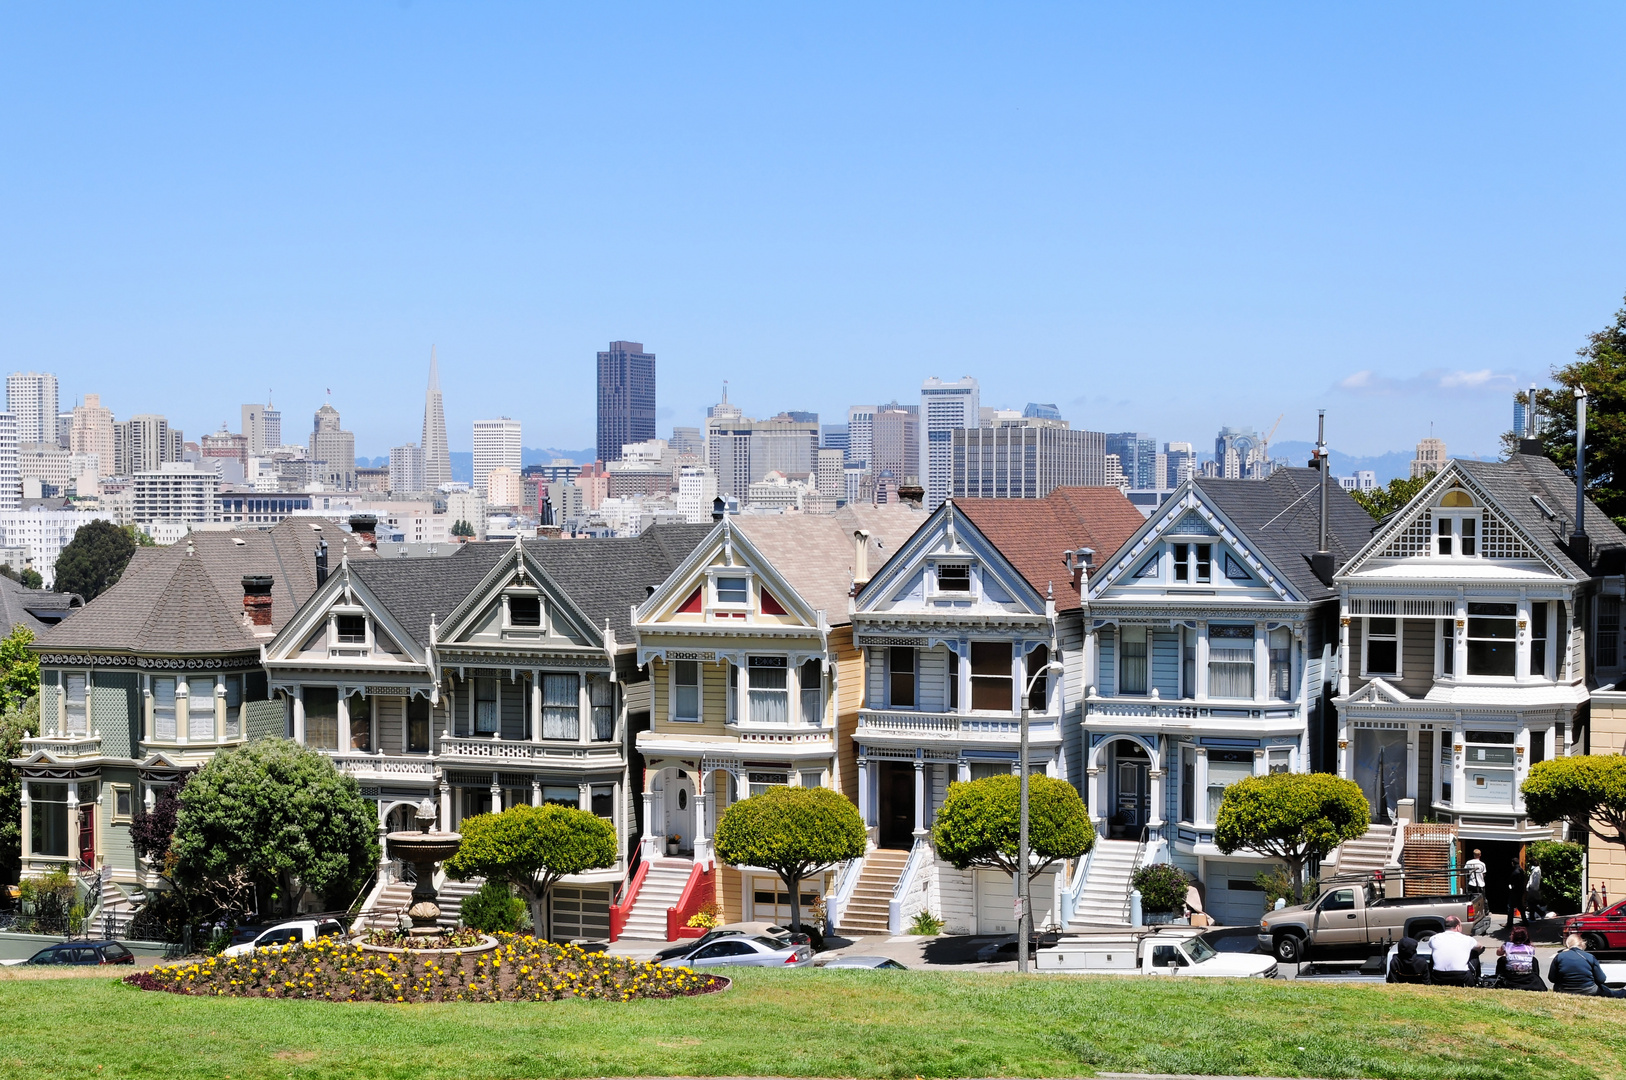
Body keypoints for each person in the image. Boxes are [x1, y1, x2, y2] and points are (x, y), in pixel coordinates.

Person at [1548, 933, 1625, 997]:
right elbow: (1601, 979)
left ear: (1568, 944)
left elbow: (1552, 978)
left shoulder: (1559, 957)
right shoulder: (1589, 957)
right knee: (1612, 993)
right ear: (1582, 944)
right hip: (1588, 990)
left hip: (1564, 990)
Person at [1427, 915, 1483, 986]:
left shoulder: (1434, 938)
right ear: (1457, 927)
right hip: (1461, 976)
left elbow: (1430, 945)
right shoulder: (1467, 939)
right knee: (1474, 952)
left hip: (1438, 975)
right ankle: (1477, 979)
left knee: (1434, 953)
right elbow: (1480, 947)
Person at [1495, 926, 1547, 991]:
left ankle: (1498, 977)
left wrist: (1506, 953)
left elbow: (1498, 953)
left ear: (1513, 936)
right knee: (1534, 960)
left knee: (1501, 960)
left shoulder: (1507, 945)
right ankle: (1535, 976)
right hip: (1527, 975)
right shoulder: (1530, 948)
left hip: (1511, 976)